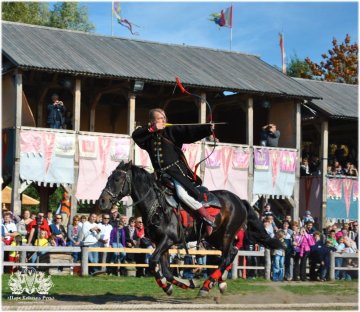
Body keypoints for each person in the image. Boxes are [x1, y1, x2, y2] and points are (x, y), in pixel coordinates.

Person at [132, 108, 215, 234]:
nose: (163, 120)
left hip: (175, 172)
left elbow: (188, 131)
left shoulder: (171, 131)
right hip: (159, 175)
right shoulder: (147, 137)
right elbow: (135, 135)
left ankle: (207, 217)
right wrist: (152, 129)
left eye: (164, 118)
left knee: (182, 194)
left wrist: (207, 129)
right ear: (152, 121)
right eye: (160, 118)